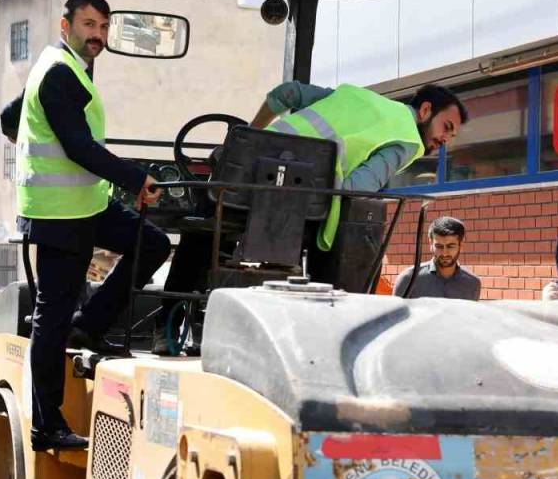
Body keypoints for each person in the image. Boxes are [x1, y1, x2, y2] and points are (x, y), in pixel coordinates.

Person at [153, 83, 469, 354]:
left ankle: (164, 331)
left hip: (240, 187)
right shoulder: (406, 140)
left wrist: (247, 139)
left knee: (203, 230)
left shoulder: (352, 95)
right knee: (334, 246)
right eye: (447, 128)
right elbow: (354, 189)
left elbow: (285, 93)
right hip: (299, 212)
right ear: (425, 110)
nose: (447, 141)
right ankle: (318, 339)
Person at [1, 0, 172, 451]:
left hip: (86, 205)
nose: (97, 35)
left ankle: (92, 323)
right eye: (89, 25)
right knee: (51, 317)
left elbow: (7, 118)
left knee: (152, 244)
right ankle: (45, 424)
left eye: (102, 27)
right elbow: (79, 147)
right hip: (59, 215)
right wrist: (136, 179)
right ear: (66, 27)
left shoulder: (62, 68)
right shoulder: (58, 73)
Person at [392, 217, 481, 300]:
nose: (444, 253)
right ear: (431, 244)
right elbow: (394, 316)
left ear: (461, 245)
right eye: (439, 246)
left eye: (450, 246)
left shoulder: (472, 283)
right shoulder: (409, 279)